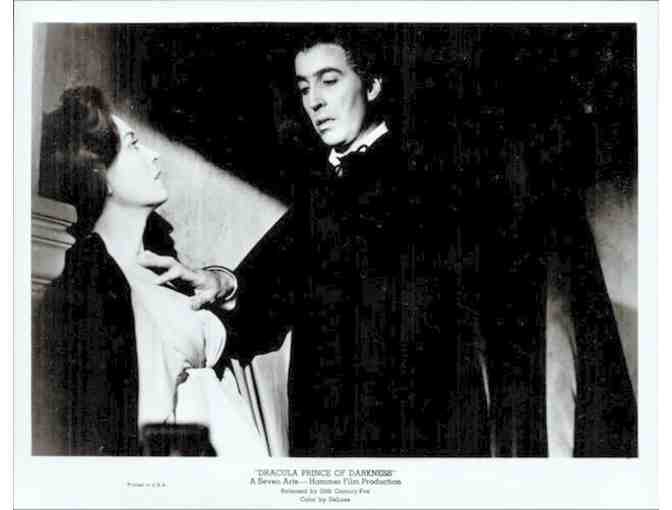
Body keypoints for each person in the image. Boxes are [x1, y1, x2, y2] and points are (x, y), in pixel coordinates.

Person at [145, 28, 637, 457]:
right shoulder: (322, 193)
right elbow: (274, 290)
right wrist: (223, 282)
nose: (314, 101)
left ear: (373, 85)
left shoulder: (433, 174)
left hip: (419, 439)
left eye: (329, 80)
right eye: (304, 87)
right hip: (332, 440)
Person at [33, 86, 267, 457]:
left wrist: (220, 284)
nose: (153, 154)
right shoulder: (95, 279)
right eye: (134, 144)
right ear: (100, 173)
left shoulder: (165, 270)